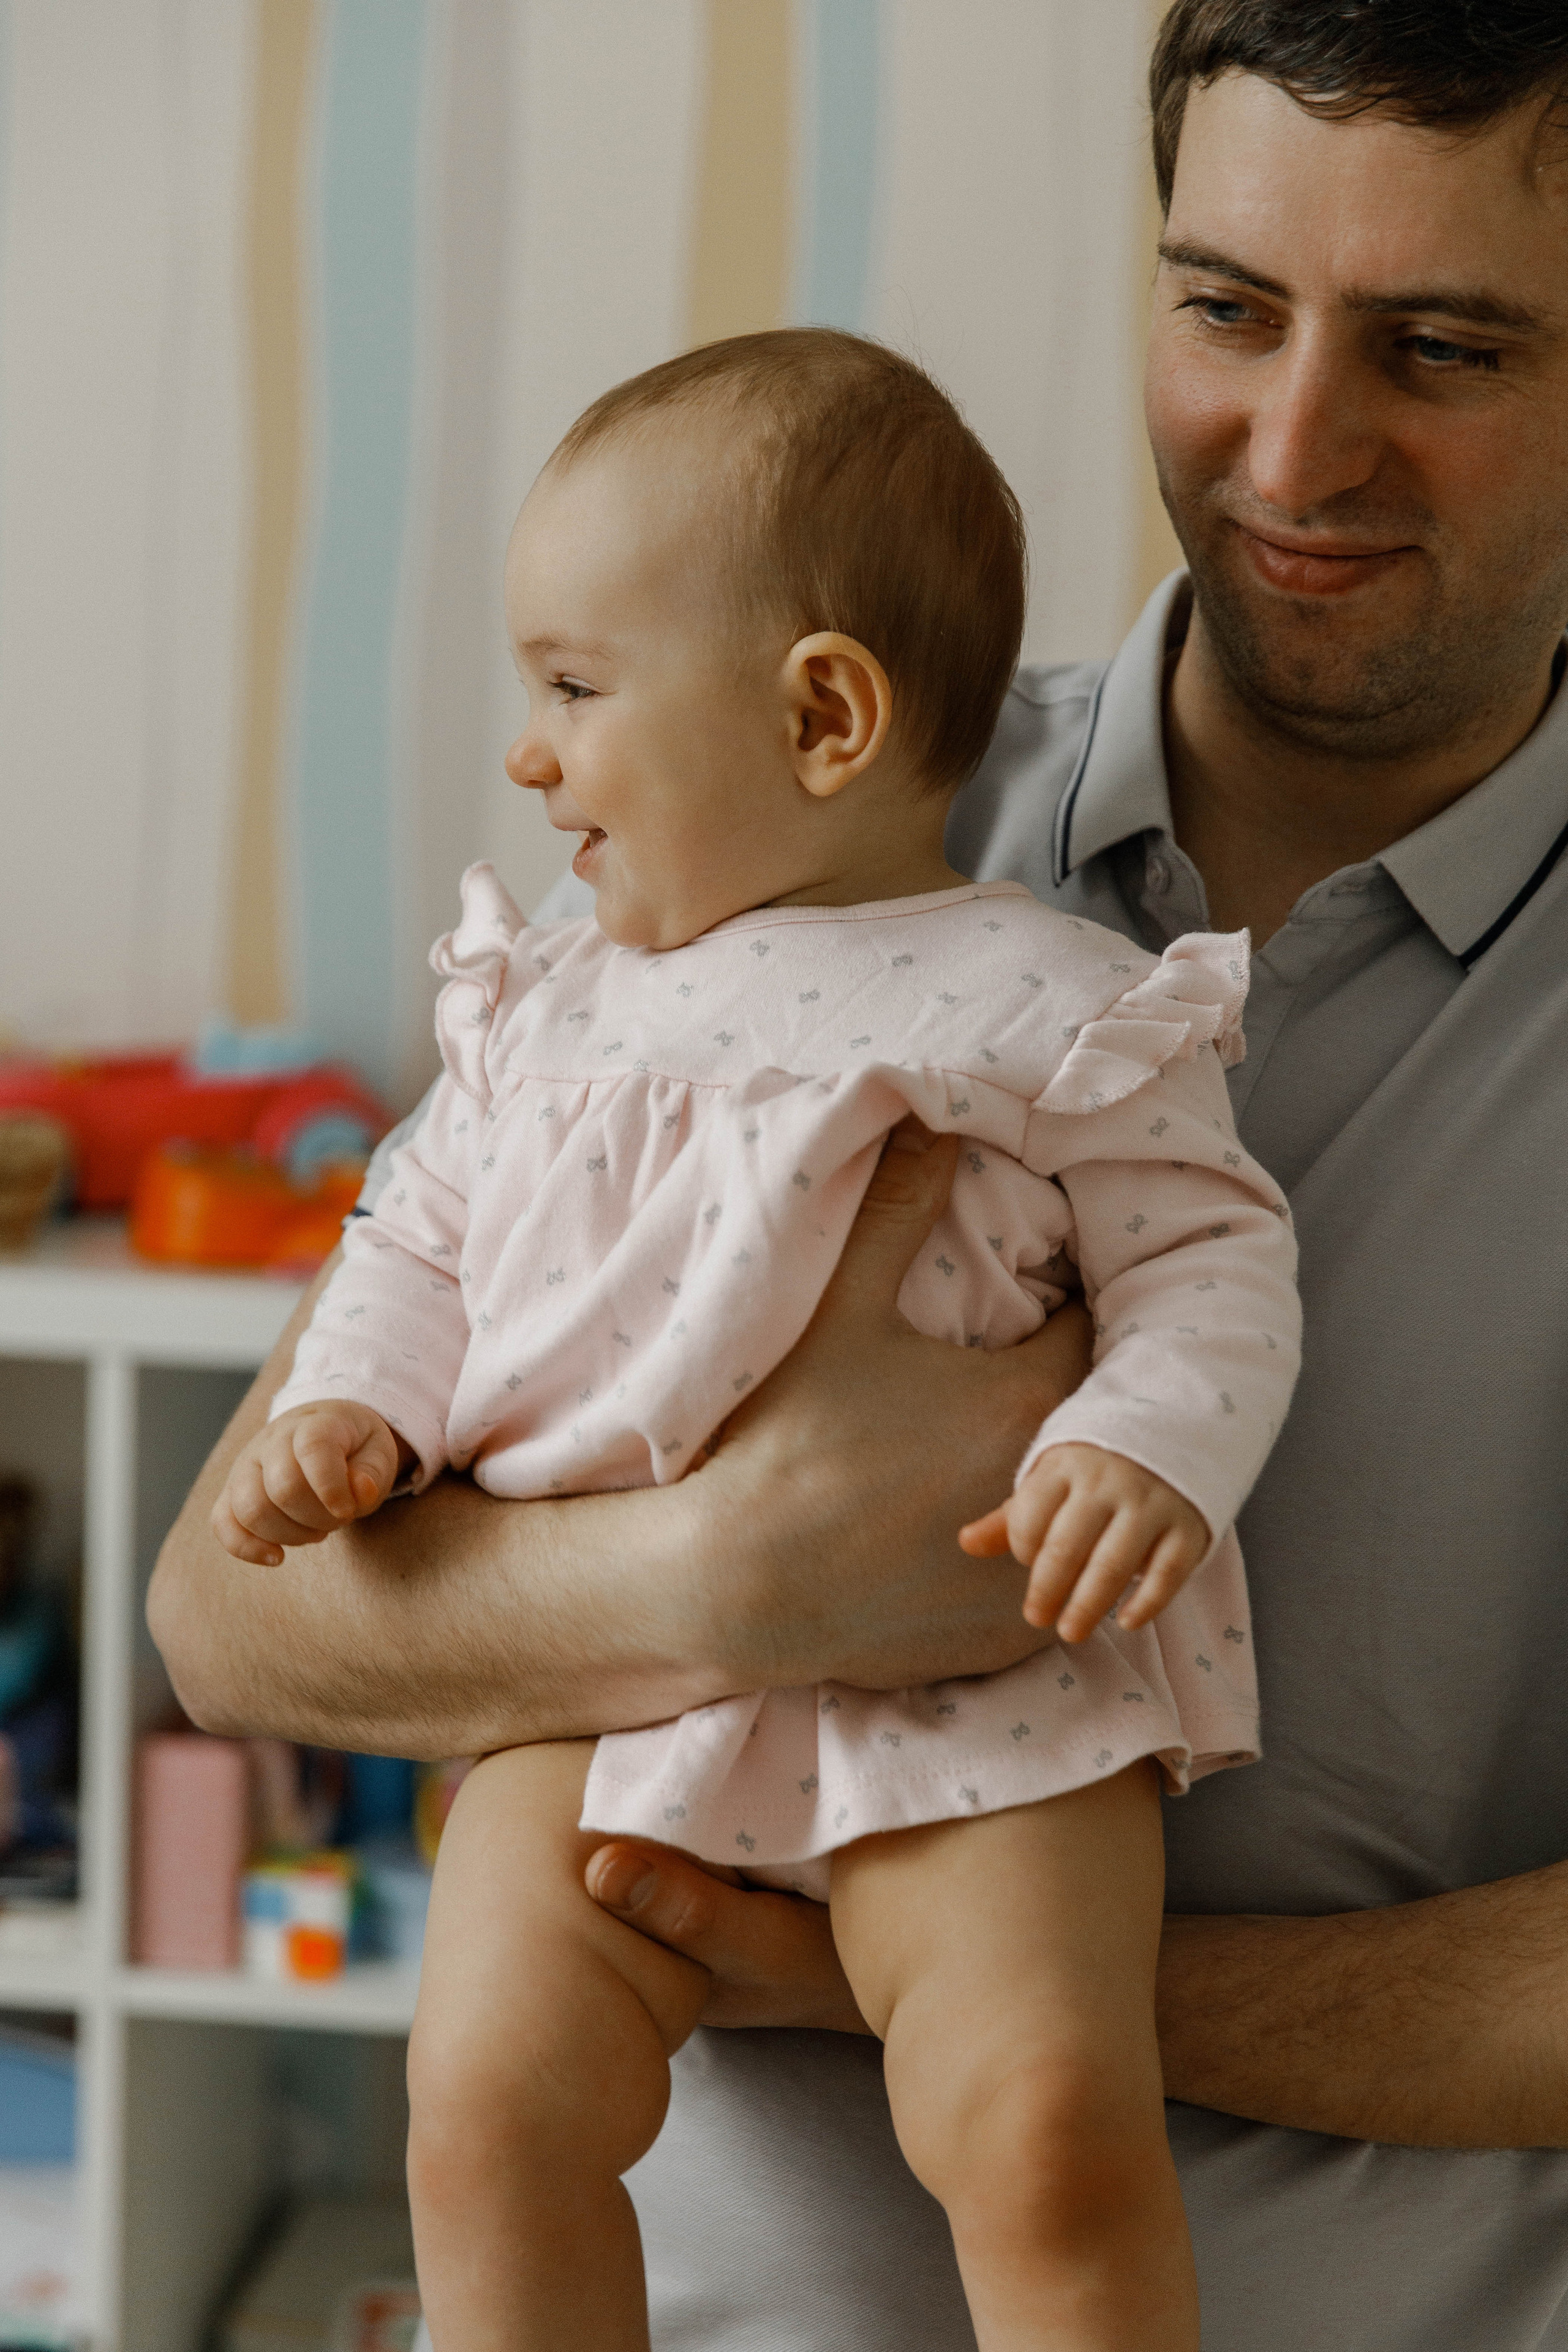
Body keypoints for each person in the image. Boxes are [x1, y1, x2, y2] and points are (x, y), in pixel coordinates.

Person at [148, 2, 1568, 2345]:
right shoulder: (760, 853)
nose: (1293, 447)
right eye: (1225, 308)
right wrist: (741, 1567)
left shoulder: (979, 969)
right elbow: (237, 1611)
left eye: (1444, 345)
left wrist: (926, 1981)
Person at [212, 332, 1300, 2352]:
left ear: (821, 717)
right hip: (609, 1694)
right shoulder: (542, 1010)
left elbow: (1209, 1260)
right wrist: (356, 1402)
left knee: (1047, 2119)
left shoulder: (1042, 995)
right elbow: (415, 1232)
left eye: (575, 689)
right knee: (483, 2102)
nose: (529, 757)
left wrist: (1145, 1445)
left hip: (987, 1675)